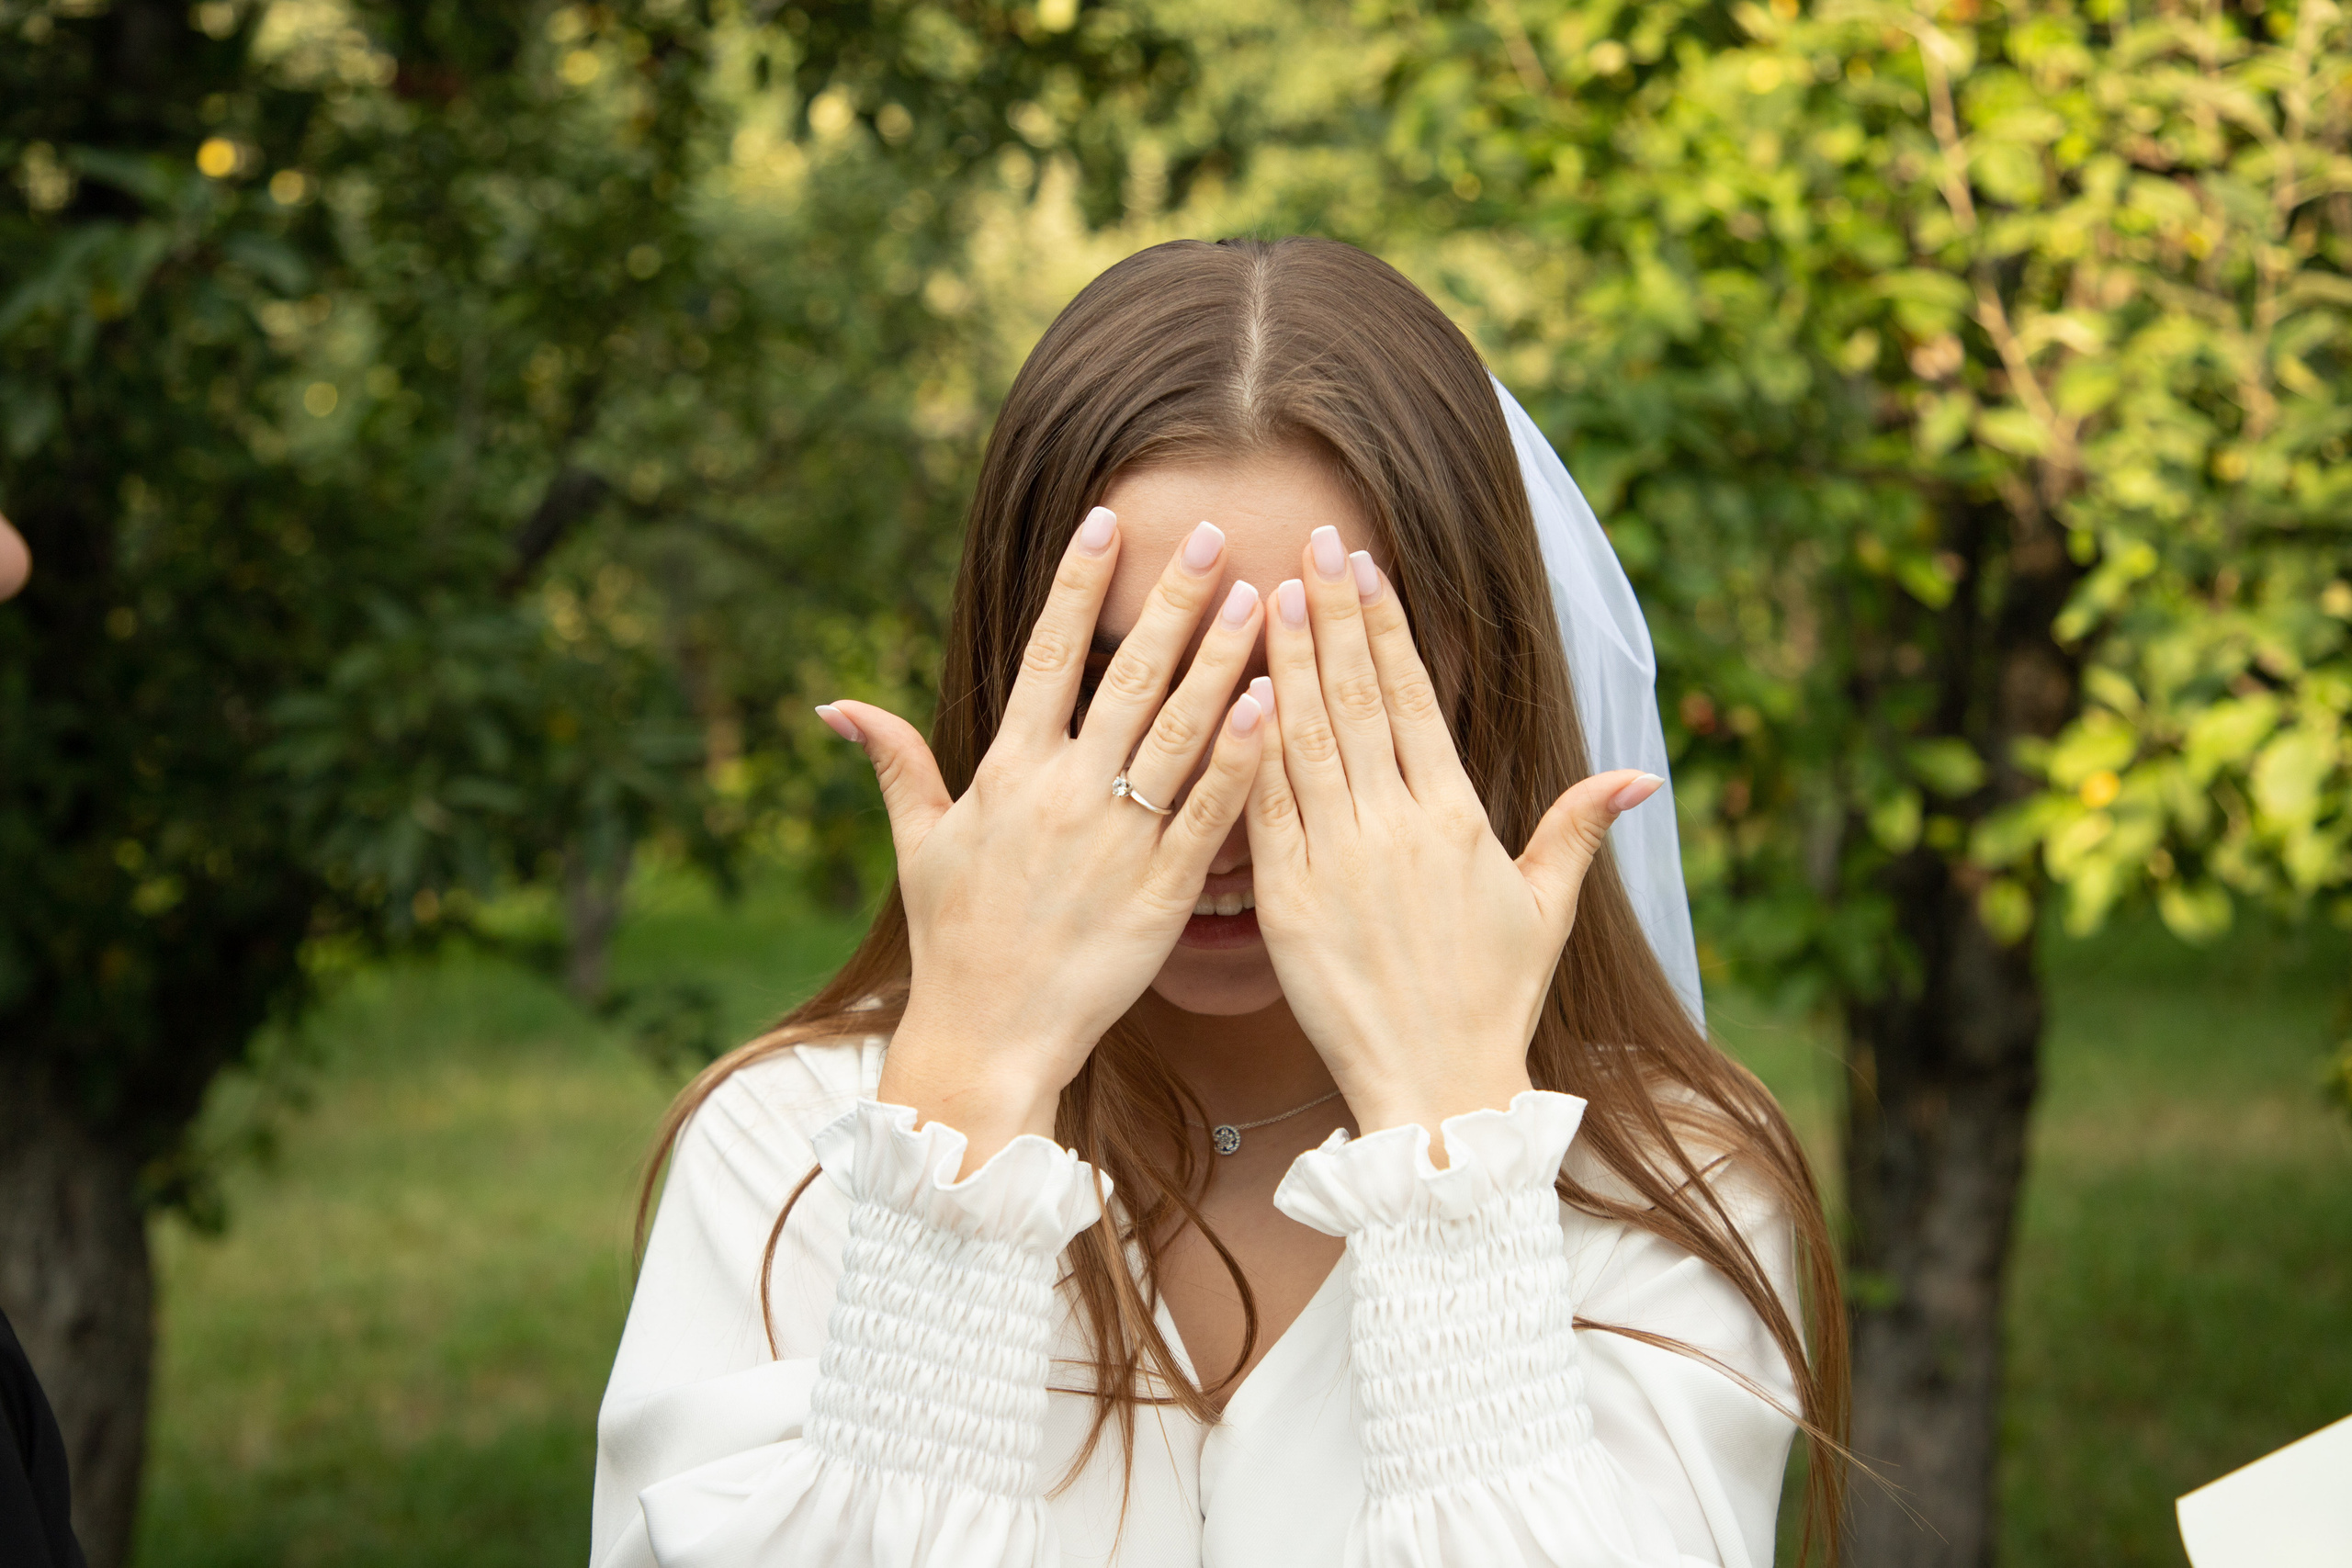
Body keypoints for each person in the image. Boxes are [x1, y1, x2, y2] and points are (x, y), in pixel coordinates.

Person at [590, 237, 1847, 1568]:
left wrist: (1451, 1161)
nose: (1216, 798)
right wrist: (968, 1111)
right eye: (1141, 686)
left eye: (1324, 684)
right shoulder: (790, 1152)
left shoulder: (1661, 1173)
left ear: (1475, 684)